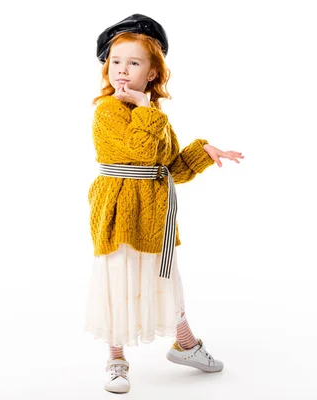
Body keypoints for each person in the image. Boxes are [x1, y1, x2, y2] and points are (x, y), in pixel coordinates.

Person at [84, 14, 244, 394]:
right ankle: (116, 359)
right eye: (116, 61)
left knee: (164, 277)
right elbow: (140, 153)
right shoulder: (108, 111)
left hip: (154, 212)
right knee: (119, 278)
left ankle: (184, 344)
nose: (122, 70)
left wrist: (202, 153)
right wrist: (144, 108)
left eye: (134, 63)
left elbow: (168, 168)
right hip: (119, 211)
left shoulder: (152, 114)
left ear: (153, 73)